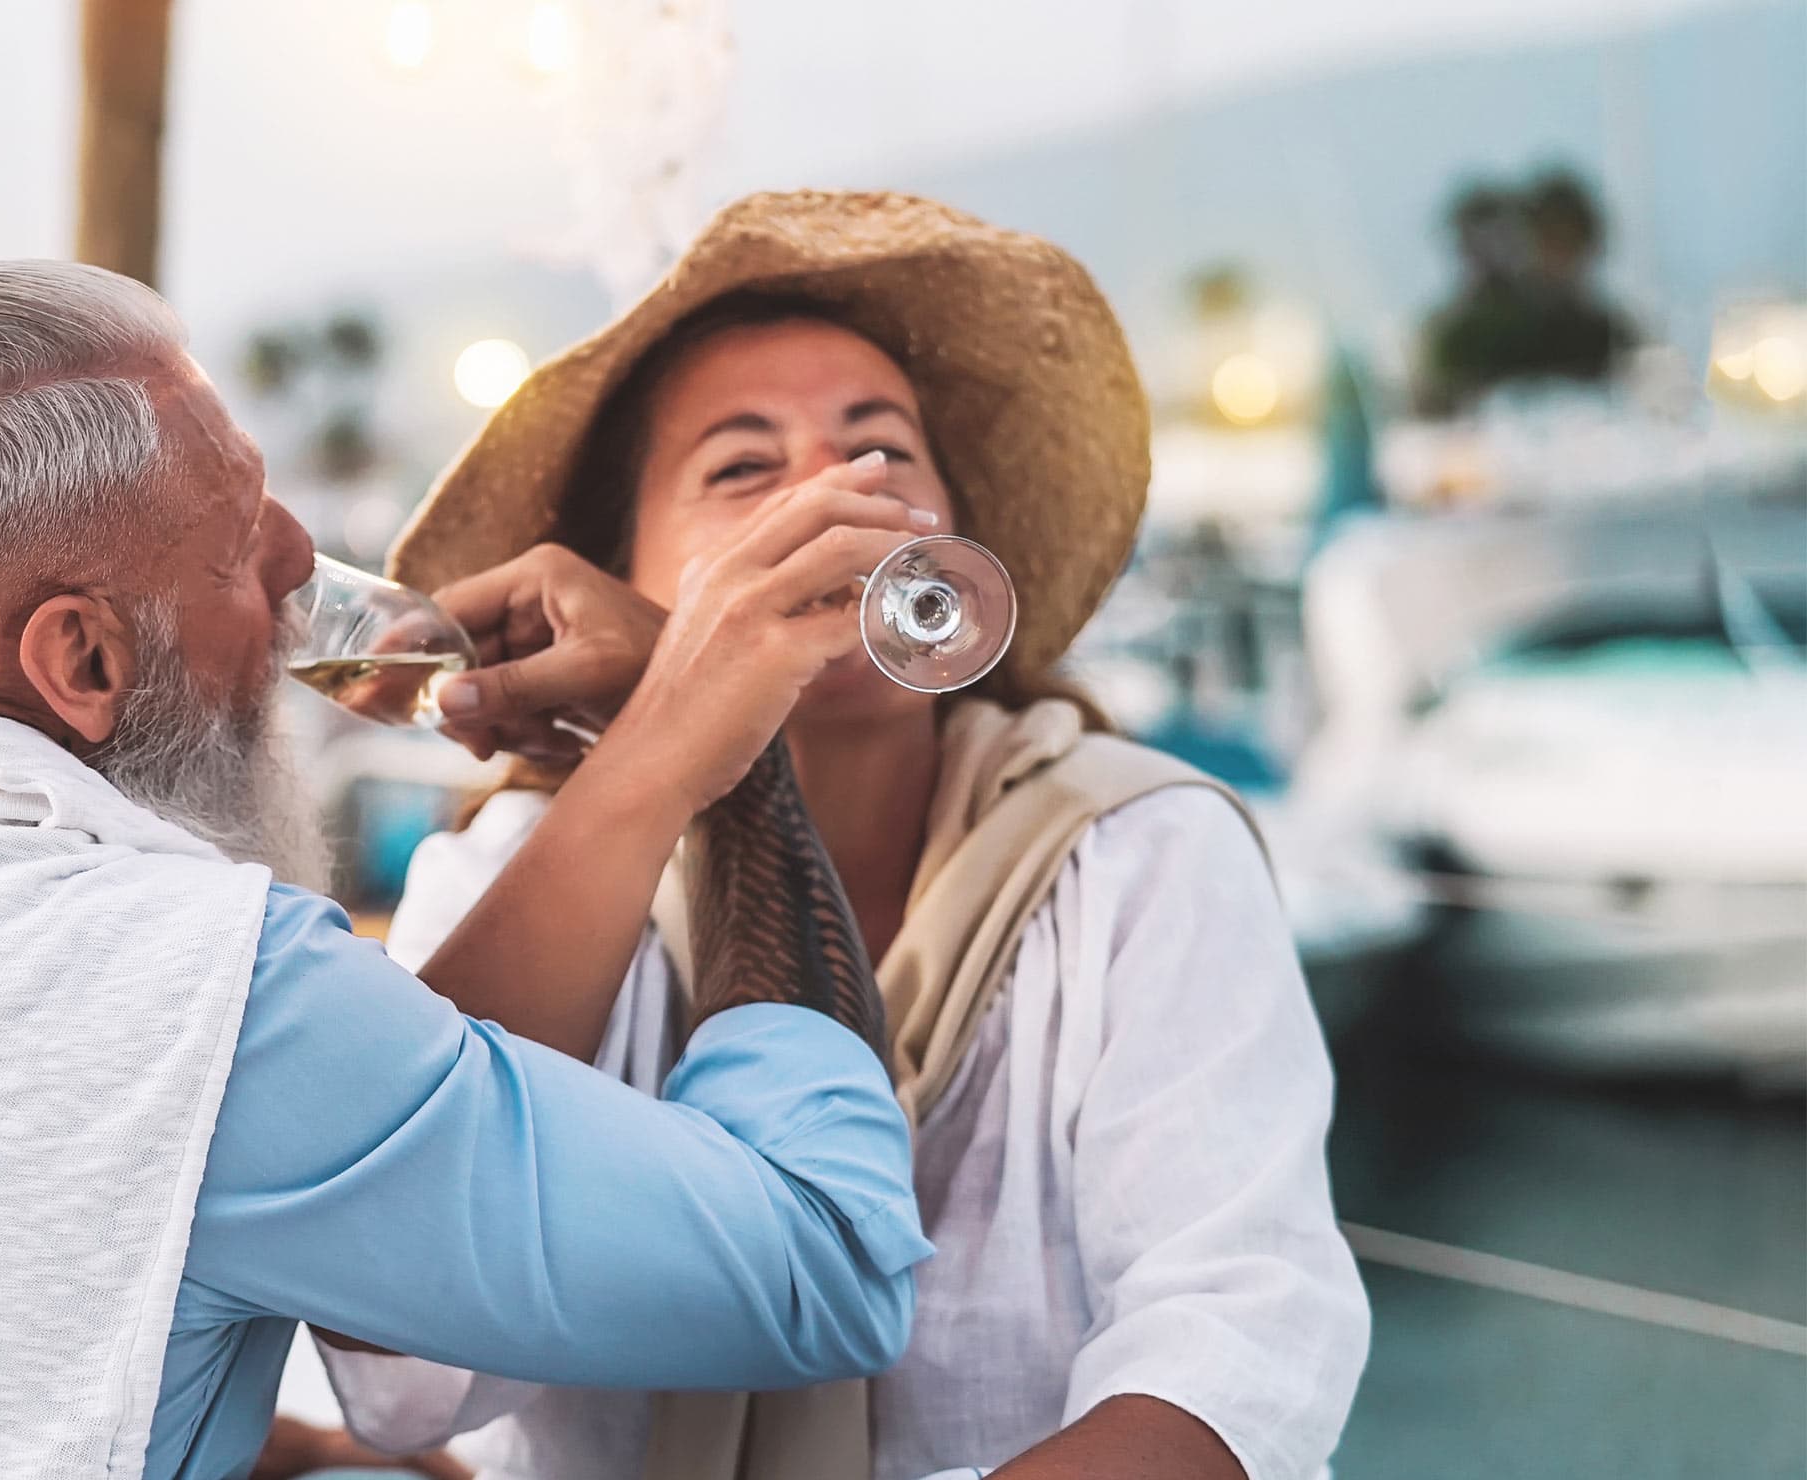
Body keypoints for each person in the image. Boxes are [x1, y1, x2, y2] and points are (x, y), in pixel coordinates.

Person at [0, 259, 936, 1480]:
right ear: (81, 657)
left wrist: (653, 749)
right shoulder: (166, 978)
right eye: (241, 549)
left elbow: (382, 1113)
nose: (296, 572)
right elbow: (826, 1260)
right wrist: (730, 768)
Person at [314, 192, 1370, 1480]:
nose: (835, 497)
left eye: (883, 452)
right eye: (744, 469)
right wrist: (667, 750)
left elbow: (1240, 1344)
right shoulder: (501, 875)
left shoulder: (1141, 849)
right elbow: (399, 1368)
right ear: (623, 584)